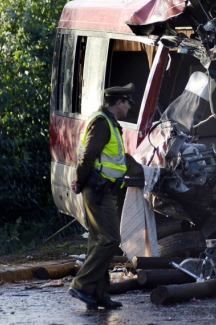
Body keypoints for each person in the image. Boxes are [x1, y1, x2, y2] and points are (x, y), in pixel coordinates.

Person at [68, 83, 135, 309]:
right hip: (97, 190)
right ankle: (81, 285)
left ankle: (99, 295)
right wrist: (80, 180)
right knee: (109, 240)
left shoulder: (110, 123)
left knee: (99, 241)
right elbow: (88, 156)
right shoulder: (102, 123)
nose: (129, 107)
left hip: (103, 190)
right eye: (127, 103)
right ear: (119, 103)